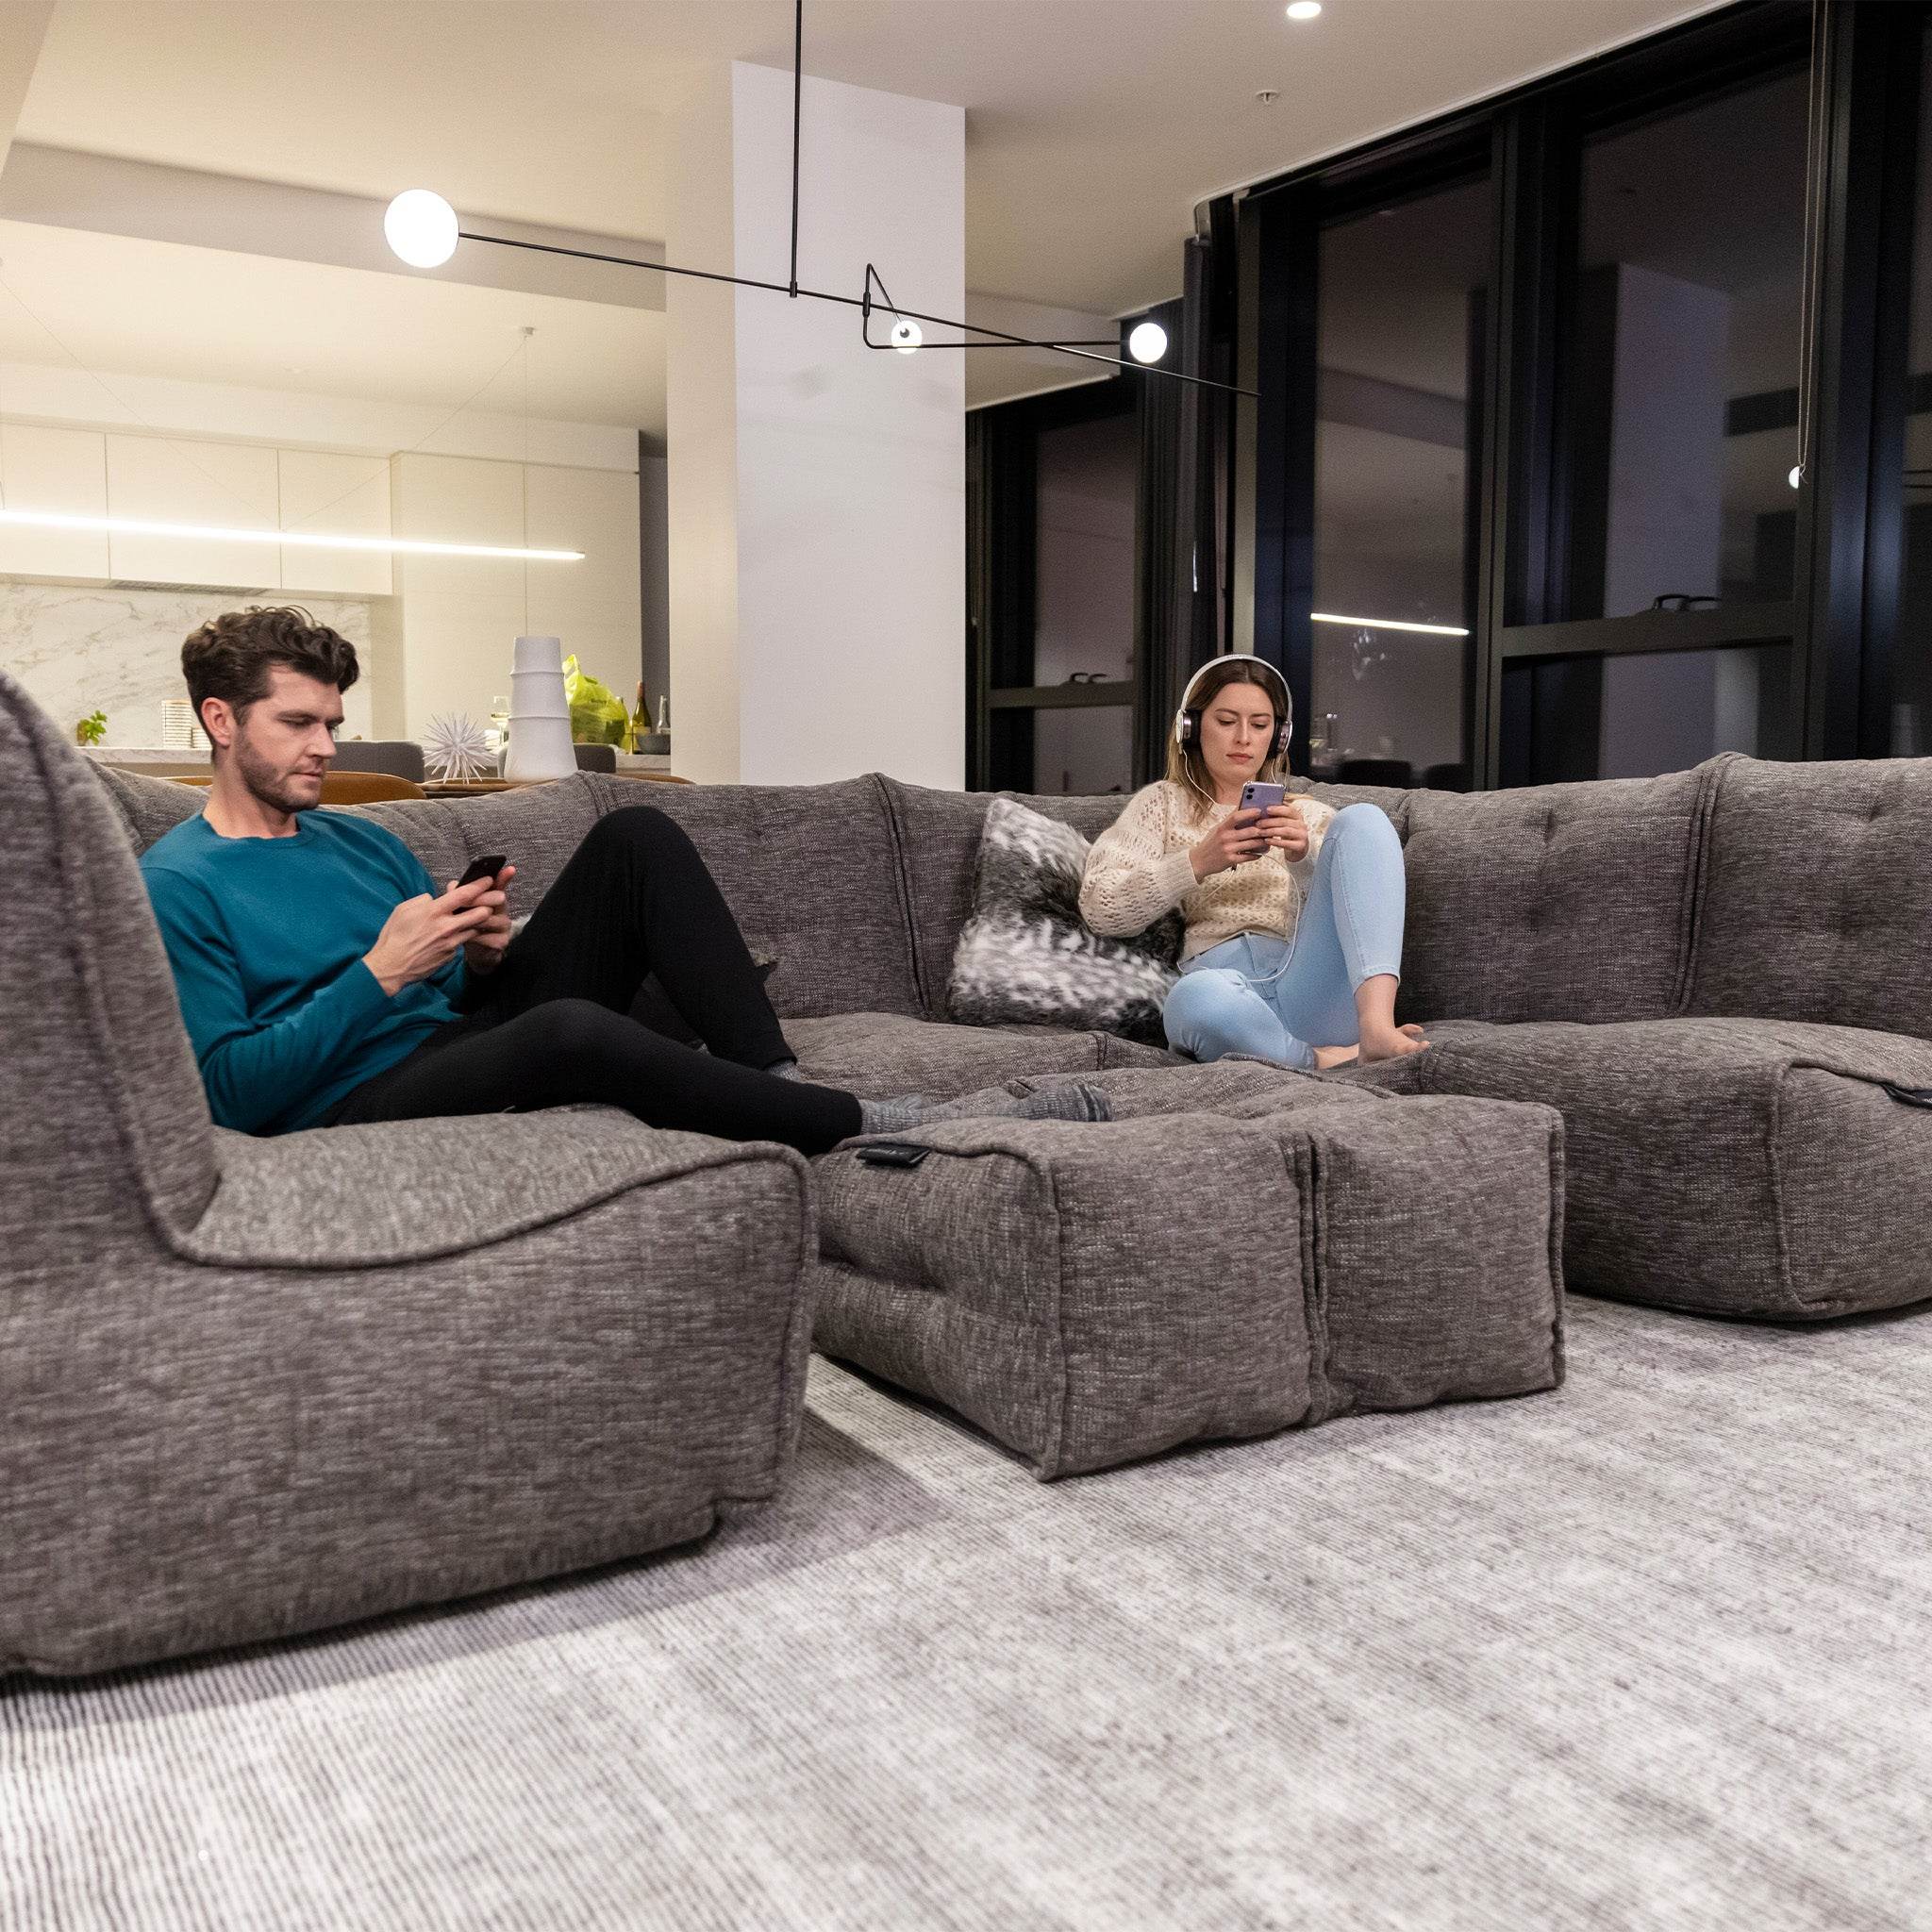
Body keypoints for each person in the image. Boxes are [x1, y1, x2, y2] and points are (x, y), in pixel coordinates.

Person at [139, 607, 1108, 1156]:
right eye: (298, 723)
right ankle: (891, 1128)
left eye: (332, 724)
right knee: (570, 1031)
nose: (324, 746)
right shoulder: (178, 883)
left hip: (447, 1040)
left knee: (636, 833)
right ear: (221, 720)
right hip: (347, 1098)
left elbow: (450, 998)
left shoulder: (357, 843)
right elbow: (228, 1094)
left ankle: (776, 1087)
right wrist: (379, 972)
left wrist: (477, 956)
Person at [1079, 654, 1426, 1070]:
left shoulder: (1308, 815)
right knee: (1193, 998)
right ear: (1191, 727)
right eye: (1227, 721)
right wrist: (1196, 861)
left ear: (1278, 736)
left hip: (1309, 984)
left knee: (1365, 818)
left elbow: (1359, 911)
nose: (1243, 738)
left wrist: (1303, 859)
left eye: (1260, 725)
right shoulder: (1160, 805)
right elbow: (1101, 908)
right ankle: (1320, 1059)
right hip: (1226, 995)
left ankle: (1376, 1028)